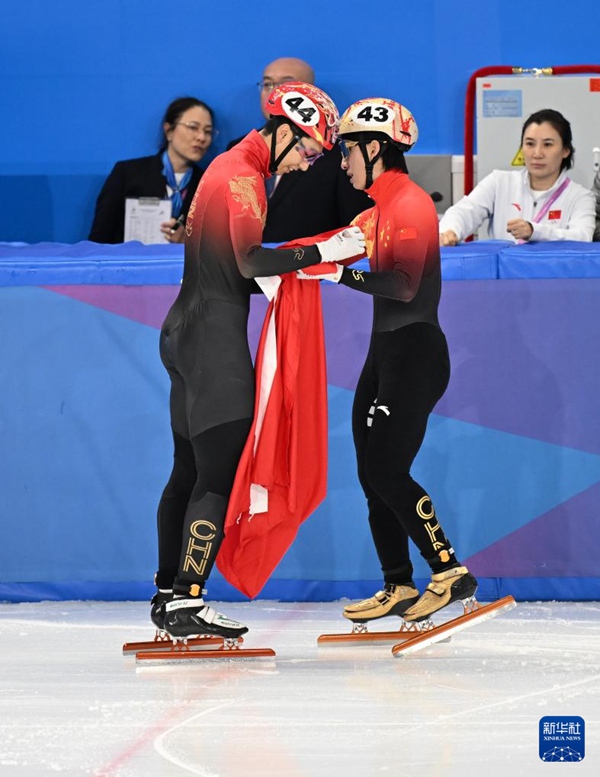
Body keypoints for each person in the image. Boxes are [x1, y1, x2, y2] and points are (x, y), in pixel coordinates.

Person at [153, 82, 365, 641]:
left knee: (187, 471)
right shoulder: (245, 177)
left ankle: (168, 594)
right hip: (212, 344)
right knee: (216, 476)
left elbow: (233, 263)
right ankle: (188, 601)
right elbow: (250, 263)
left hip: (184, 332)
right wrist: (329, 248)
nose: (303, 164)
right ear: (286, 129)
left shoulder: (225, 166)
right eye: (308, 150)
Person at [299, 98, 477, 625]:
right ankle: (398, 585)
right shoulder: (375, 212)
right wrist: (271, 259)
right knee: (371, 473)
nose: (343, 162)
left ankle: (447, 571)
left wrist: (336, 276)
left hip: (415, 351)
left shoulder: (412, 204)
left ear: (375, 148)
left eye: (348, 151)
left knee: (386, 468)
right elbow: (324, 246)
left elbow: (401, 285)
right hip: (385, 355)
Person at [227, 57, 372, 242]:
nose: (275, 92)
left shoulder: (339, 154)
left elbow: (356, 226)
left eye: (286, 84)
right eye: (267, 84)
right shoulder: (236, 149)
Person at [439, 108, 595, 245]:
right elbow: (463, 212)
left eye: (547, 144)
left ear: (565, 151)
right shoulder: (499, 182)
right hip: (504, 277)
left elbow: (582, 237)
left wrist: (535, 231)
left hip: (555, 277)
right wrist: (449, 231)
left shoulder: (580, 197)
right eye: (530, 144)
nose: (537, 153)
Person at [89, 97, 215, 244]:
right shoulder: (127, 173)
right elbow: (99, 240)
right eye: (193, 127)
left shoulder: (209, 184)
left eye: (208, 131)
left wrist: (187, 242)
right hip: (129, 264)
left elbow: (218, 251)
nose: (201, 137)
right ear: (168, 131)